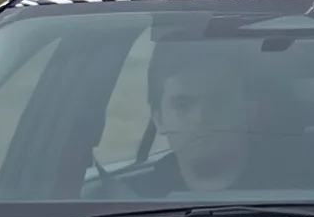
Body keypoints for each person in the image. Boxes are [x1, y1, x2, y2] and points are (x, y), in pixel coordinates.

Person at [120, 47, 285, 195]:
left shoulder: (296, 187)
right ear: (159, 120)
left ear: (250, 110)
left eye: (218, 101)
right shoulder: (131, 200)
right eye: (182, 105)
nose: (200, 118)